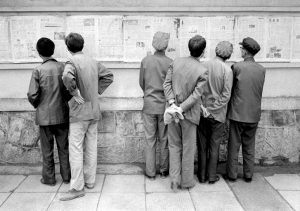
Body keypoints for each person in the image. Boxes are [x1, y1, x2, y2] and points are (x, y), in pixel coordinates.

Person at [60, 33, 113, 201]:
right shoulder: (93, 61)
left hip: (79, 111)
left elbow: (67, 77)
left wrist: (74, 92)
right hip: (94, 110)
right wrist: (96, 91)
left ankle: (77, 187)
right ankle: (90, 181)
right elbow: (109, 76)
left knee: (75, 149)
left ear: (68, 47)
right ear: (82, 45)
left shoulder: (71, 62)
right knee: (91, 146)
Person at [163, 35, 208, 192]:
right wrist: (181, 109)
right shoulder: (202, 70)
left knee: (174, 146)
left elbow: (166, 83)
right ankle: (187, 181)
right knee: (188, 148)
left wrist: (172, 104)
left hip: (172, 112)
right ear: (203, 52)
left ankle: (174, 180)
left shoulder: (176, 62)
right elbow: (196, 95)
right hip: (189, 115)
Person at [27, 37, 71, 186]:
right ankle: (66, 177)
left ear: (39, 53)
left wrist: (38, 105)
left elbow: (32, 95)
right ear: (53, 51)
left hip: (44, 116)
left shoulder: (38, 70)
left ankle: (49, 178)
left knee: (47, 150)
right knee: (64, 148)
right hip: (62, 114)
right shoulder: (63, 67)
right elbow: (69, 89)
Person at [224, 37, 266, 183]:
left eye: (241, 48)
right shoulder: (261, 69)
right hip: (253, 114)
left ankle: (232, 174)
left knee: (234, 145)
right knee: (249, 145)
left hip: (238, 113)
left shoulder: (237, 67)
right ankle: (248, 175)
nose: (240, 50)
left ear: (245, 51)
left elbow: (231, 89)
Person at [197, 41, 233, 184]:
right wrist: (212, 109)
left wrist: (203, 108)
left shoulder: (203, 65)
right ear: (228, 55)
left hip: (202, 112)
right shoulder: (227, 70)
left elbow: (197, 89)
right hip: (217, 114)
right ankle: (212, 176)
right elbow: (226, 96)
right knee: (214, 146)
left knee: (202, 145)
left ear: (216, 50)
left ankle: (201, 176)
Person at [140, 32, 172, 180]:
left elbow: (142, 83)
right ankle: (164, 170)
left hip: (149, 105)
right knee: (164, 138)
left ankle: (151, 172)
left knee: (149, 139)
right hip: (164, 105)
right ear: (166, 45)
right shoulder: (171, 62)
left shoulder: (146, 61)